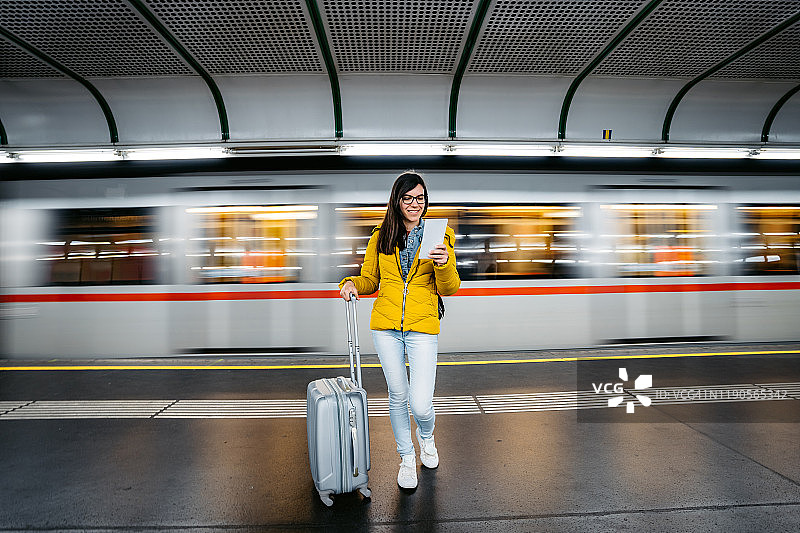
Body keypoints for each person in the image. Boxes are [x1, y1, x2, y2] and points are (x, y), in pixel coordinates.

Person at [339, 171, 460, 490]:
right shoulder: (380, 236)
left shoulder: (440, 236)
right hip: (386, 327)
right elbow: (371, 280)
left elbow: (450, 288)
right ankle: (407, 458)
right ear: (396, 201)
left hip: (422, 326)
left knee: (421, 403)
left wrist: (443, 262)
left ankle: (427, 438)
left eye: (420, 198)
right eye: (408, 198)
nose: (415, 204)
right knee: (398, 395)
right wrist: (351, 283)